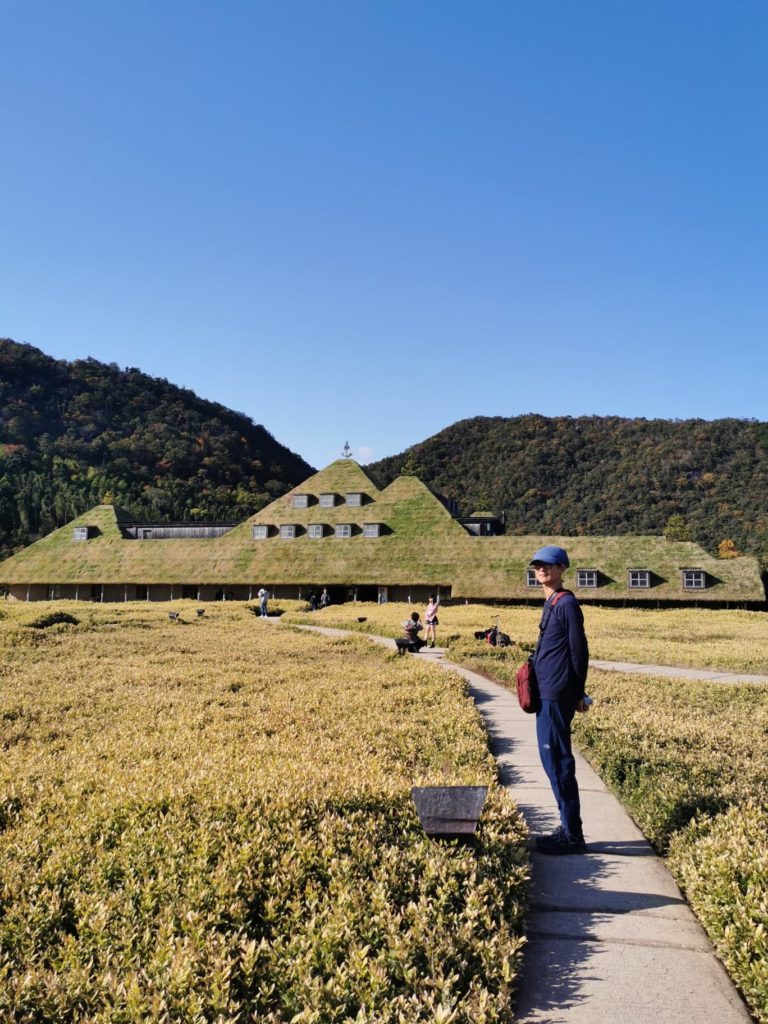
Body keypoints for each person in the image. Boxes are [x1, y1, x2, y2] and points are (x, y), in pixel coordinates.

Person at [529, 546, 589, 855]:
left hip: (557, 693)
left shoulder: (566, 604)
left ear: (562, 568)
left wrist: (578, 693)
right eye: (538, 565)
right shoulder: (551, 602)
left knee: (558, 761)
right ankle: (567, 828)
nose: (542, 569)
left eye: (548, 565)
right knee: (552, 760)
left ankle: (572, 835)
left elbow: (579, 651)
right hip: (547, 692)